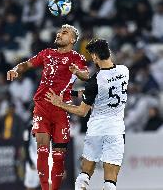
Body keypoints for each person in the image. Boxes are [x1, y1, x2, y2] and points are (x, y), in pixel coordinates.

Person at [7, 24, 89, 190]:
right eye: (59, 32)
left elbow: (86, 75)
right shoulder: (46, 53)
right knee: (42, 149)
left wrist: (77, 72)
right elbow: (27, 64)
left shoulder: (77, 58)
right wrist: (16, 69)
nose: (59, 34)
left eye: (64, 33)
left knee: (58, 157)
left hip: (61, 109)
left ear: (72, 40)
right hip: (42, 106)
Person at [46, 39, 129, 190]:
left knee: (83, 177)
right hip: (116, 131)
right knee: (110, 184)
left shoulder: (95, 82)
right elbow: (101, 87)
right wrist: (77, 77)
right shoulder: (124, 71)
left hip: (96, 131)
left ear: (95, 57)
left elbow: (82, 111)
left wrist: (60, 103)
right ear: (108, 52)